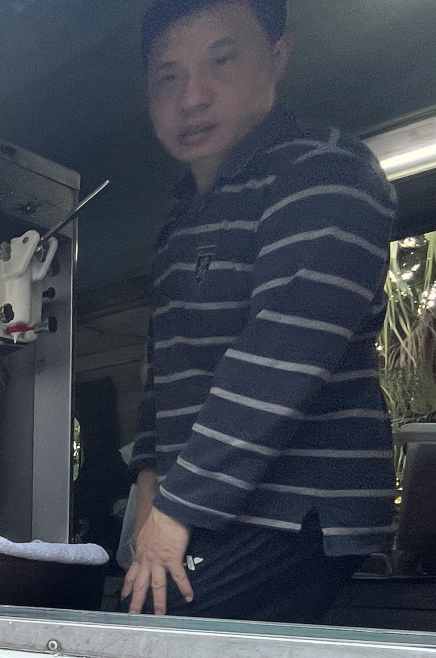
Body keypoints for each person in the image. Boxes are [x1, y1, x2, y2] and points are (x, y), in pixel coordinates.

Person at [123, 0, 397, 620]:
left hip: (295, 511)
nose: (192, 98)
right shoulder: (181, 221)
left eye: (221, 61)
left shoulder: (325, 171)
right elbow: (163, 380)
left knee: (154, 649)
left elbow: (279, 360)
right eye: (168, 76)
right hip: (199, 508)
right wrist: (148, 498)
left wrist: (175, 509)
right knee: (137, 638)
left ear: (277, 56)